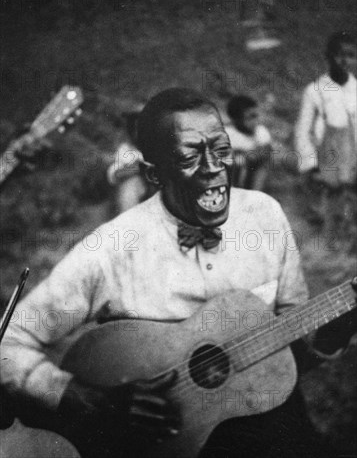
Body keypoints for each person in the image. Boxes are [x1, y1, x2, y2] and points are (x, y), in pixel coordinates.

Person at [0, 88, 355, 458]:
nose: (214, 167)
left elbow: (290, 352)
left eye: (221, 149)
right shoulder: (113, 247)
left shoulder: (265, 216)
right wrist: (83, 397)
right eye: (191, 156)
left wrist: (335, 330)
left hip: (270, 428)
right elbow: (9, 343)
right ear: (153, 175)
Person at [295, 32, 357, 225]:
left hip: (352, 156)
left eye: (350, 55)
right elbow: (303, 131)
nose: (344, 60)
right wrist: (310, 164)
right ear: (328, 56)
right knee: (329, 204)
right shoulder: (314, 91)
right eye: (339, 54)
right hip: (326, 157)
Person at [107, 109, 155, 214]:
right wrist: (136, 168)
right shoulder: (126, 150)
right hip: (142, 192)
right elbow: (114, 174)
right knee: (131, 185)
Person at [225, 95, 272, 191]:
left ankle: (255, 194)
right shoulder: (228, 133)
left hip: (251, 172)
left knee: (263, 159)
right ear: (236, 120)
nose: (255, 121)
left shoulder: (260, 132)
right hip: (232, 173)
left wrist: (252, 155)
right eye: (250, 118)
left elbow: (266, 150)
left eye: (256, 116)